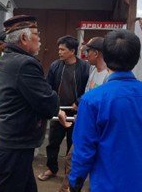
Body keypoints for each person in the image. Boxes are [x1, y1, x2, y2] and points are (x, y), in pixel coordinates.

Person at [69, 29, 142, 192]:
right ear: (137, 58)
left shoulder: (93, 101)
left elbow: (83, 151)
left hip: (109, 185)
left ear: (105, 56)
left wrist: (75, 183)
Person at [0, 15, 59, 192]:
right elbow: (49, 104)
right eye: (36, 34)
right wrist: (52, 94)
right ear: (24, 38)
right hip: (15, 146)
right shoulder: (25, 64)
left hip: (11, 142)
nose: (40, 39)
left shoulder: (7, 59)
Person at [59, 36, 109, 191]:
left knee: (88, 164)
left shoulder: (108, 76)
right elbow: (88, 93)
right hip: (84, 126)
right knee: (71, 160)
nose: (86, 54)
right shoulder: (93, 70)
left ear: (97, 53)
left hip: (96, 130)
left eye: (88, 51)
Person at [38, 35, 90, 181]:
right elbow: (48, 86)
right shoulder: (56, 65)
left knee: (72, 144)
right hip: (58, 110)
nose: (59, 52)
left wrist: (79, 102)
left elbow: (88, 88)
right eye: (59, 49)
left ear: (72, 51)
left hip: (75, 112)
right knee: (53, 142)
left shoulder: (84, 67)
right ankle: (51, 169)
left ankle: (70, 174)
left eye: (62, 49)